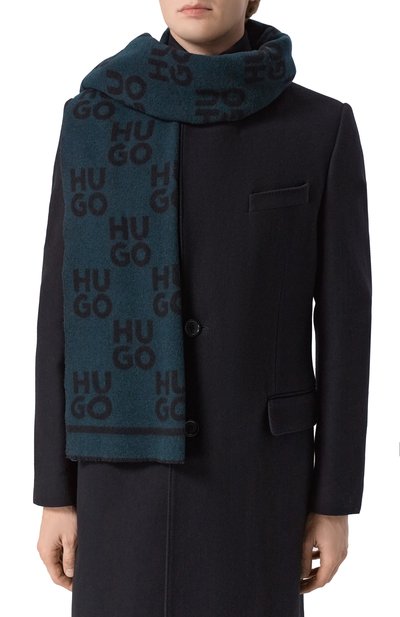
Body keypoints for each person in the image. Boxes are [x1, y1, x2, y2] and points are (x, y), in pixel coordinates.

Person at [34, 1, 372, 616]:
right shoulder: (92, 119)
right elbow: (58, 313)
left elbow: (347, 328)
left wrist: (333, 503)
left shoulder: (319, 126)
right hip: (119, 480)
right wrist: (56, 495)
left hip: (258, 478)